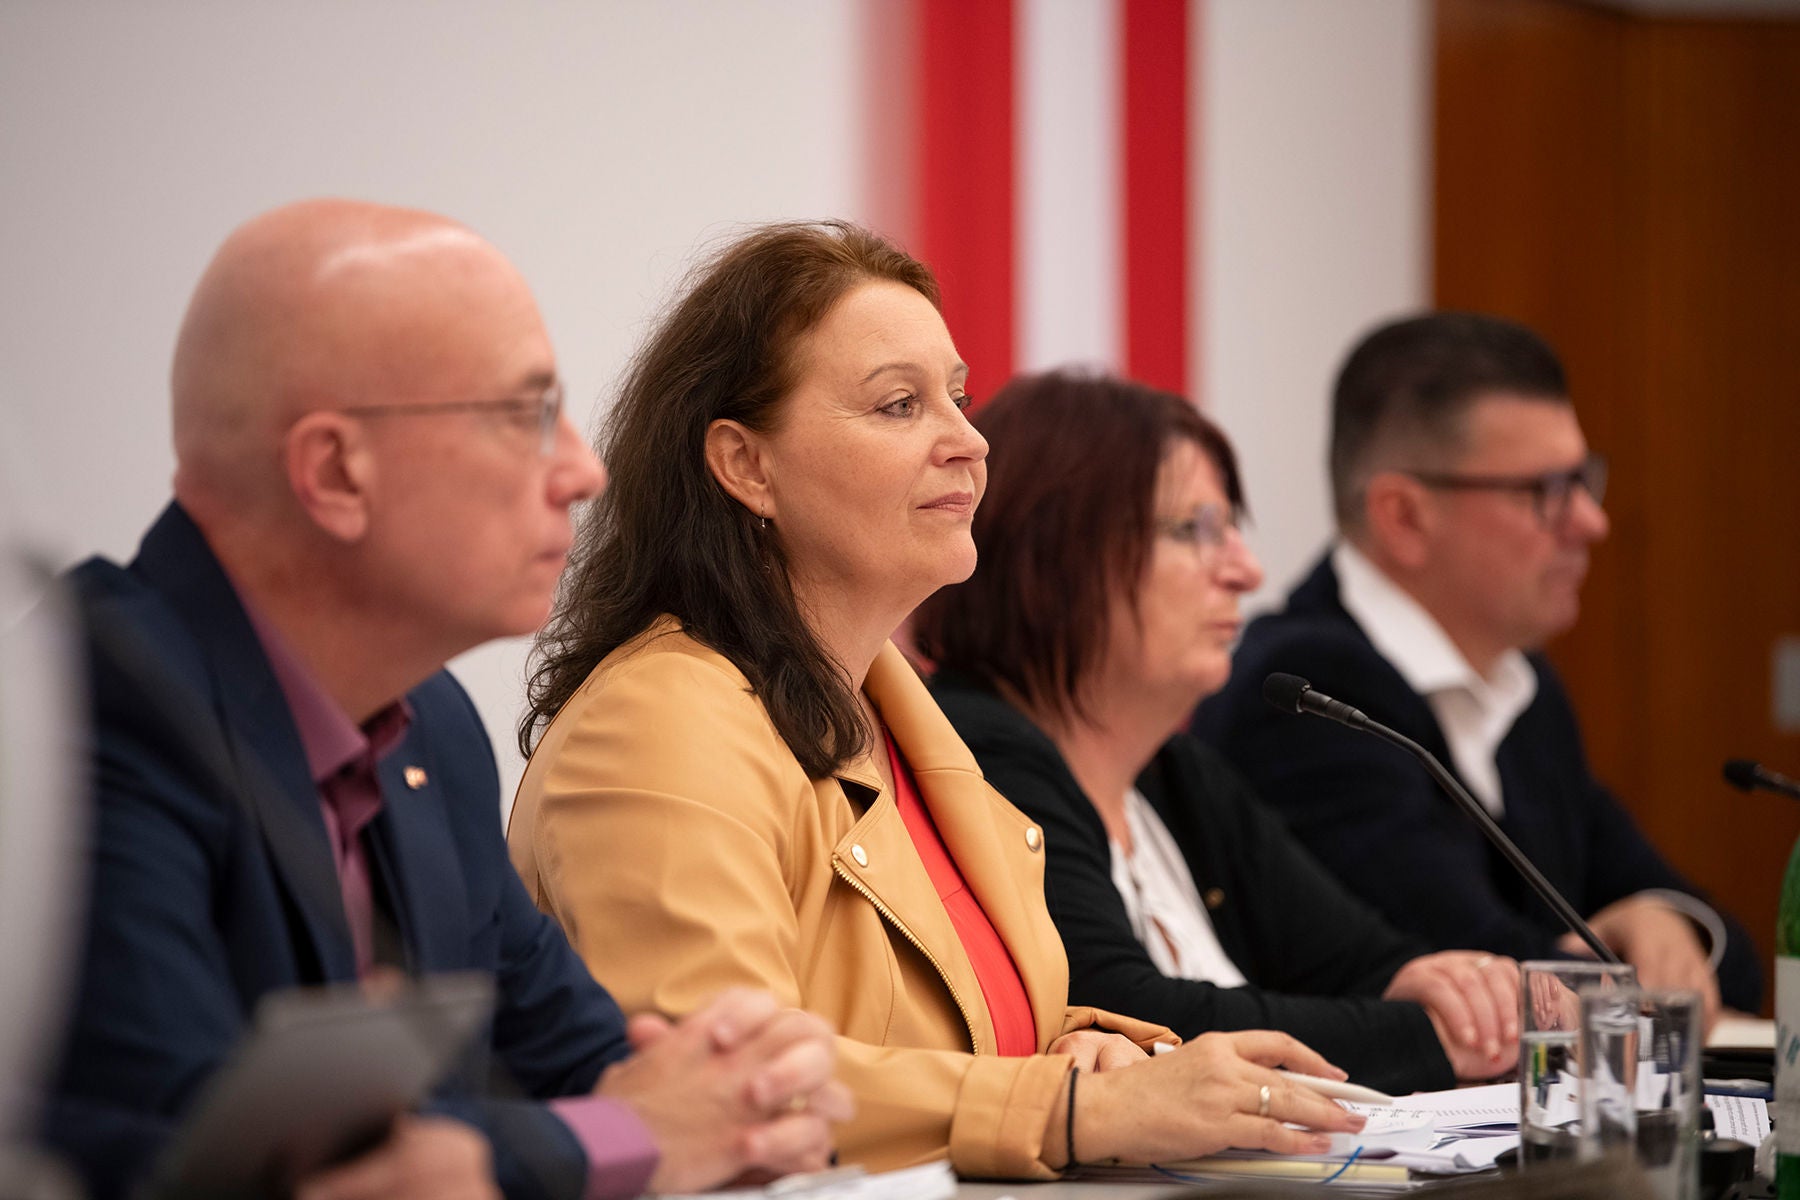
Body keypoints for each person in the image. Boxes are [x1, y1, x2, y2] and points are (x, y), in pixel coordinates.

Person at [508, 221, 1364, 1180]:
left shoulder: (895, 712)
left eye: (957, 398)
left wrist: (1094, 1046)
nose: (969, 441)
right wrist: (1074, 1105)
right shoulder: (660, 723)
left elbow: (958, 1026)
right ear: (746, 465)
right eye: (900, 405)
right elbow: (728, 1087)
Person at [44, 199, 851, 1200]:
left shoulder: (428, 726)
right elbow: (199, 1157)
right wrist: (618, 1137)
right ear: (337, 472)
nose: (583, 471)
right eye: (526, 416)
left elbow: (592, 1065)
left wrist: (742, 1092)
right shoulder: (90, 702)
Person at [911, 369, 1519, 1096]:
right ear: (1056, 555)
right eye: (1194, 531)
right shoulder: (977, 754)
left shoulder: (1176, 776)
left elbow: (1358, 960)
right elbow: (1130, 1014)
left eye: (1233, 529)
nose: (1246, 571)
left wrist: (1439, 989)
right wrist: (1429, 1037)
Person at [1193, 312, 1760, 1017]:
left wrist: (1664, 921)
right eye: (1547, 491)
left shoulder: (1523, 687)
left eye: (1585, 479)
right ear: (1405, 516)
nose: (1592, 522)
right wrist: (1630, 966)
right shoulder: (1305, 697)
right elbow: (1479, 985)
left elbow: (1733, 960)